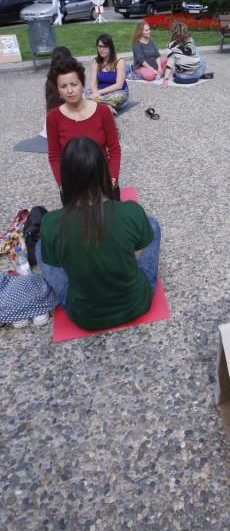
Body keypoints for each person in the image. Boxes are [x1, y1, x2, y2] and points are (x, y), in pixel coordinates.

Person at [37, 137, 161, 331]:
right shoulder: (130, 211)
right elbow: (136, 258)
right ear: (103, 172)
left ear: (65, 178)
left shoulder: (51, 223)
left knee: (39, 246)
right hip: (137, 303)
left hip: (85, 316)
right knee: (151, 224)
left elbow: (58, 265)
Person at [46, 57, 121, 192]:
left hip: (103, 178)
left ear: (82, 84)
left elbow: (114, 149)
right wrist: (62, 184)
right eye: (63, 86)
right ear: (58, 90)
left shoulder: (103, 111)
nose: (69, 91)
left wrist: (112, 177)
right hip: (73, 183)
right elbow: (54, 156)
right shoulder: (53, 117)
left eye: (74, 84)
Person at [87, 34, 129, 110]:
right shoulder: (95, 61)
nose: (102, 49)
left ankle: (98, 105)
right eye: (100, 46)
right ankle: (106, 107)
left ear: (110, 47)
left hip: (117, 92)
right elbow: (93, 83)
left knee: (117, 97)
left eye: (105, 46)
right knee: (82, 94)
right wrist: (96, 93)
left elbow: (119, 85)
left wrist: (99, 93)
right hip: (100, 92)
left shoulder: (119, 61)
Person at [162, 21, 208, 87]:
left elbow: (170, 64)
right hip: (194, 75)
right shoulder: (191, 40)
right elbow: (196, 55)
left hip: (180, 77)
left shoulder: (170, 46)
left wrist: (165, 80)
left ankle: (184, 70)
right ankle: (196, 73)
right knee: (202, 61)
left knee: (176, 60)